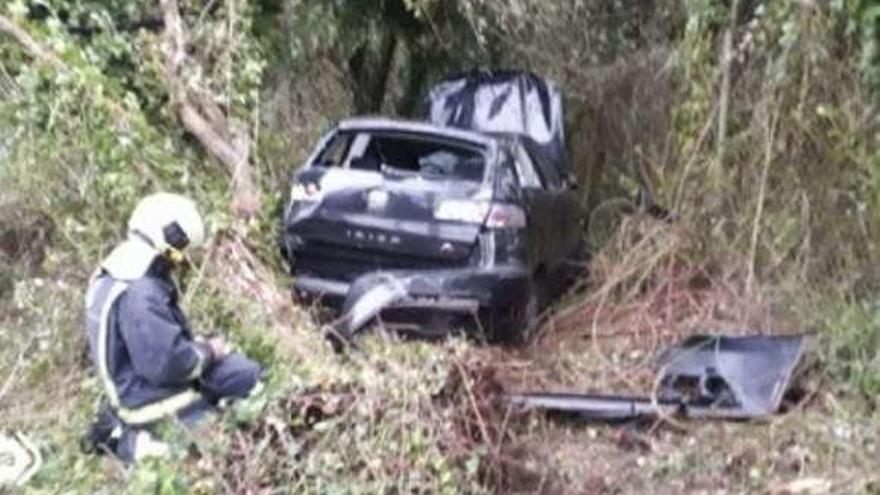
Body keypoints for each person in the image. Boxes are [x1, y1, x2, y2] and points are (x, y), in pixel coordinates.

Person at [81, 193, 262, 462]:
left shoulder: (116, 270)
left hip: (146, 384)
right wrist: (209, 351)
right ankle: (132, 444)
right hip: (151, 400)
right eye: (179, 251)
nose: (178, 260)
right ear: (169, 238)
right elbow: (169, 366)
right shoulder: (141, 291)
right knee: (219, 450)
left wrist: (198, 347)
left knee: (246, 375)